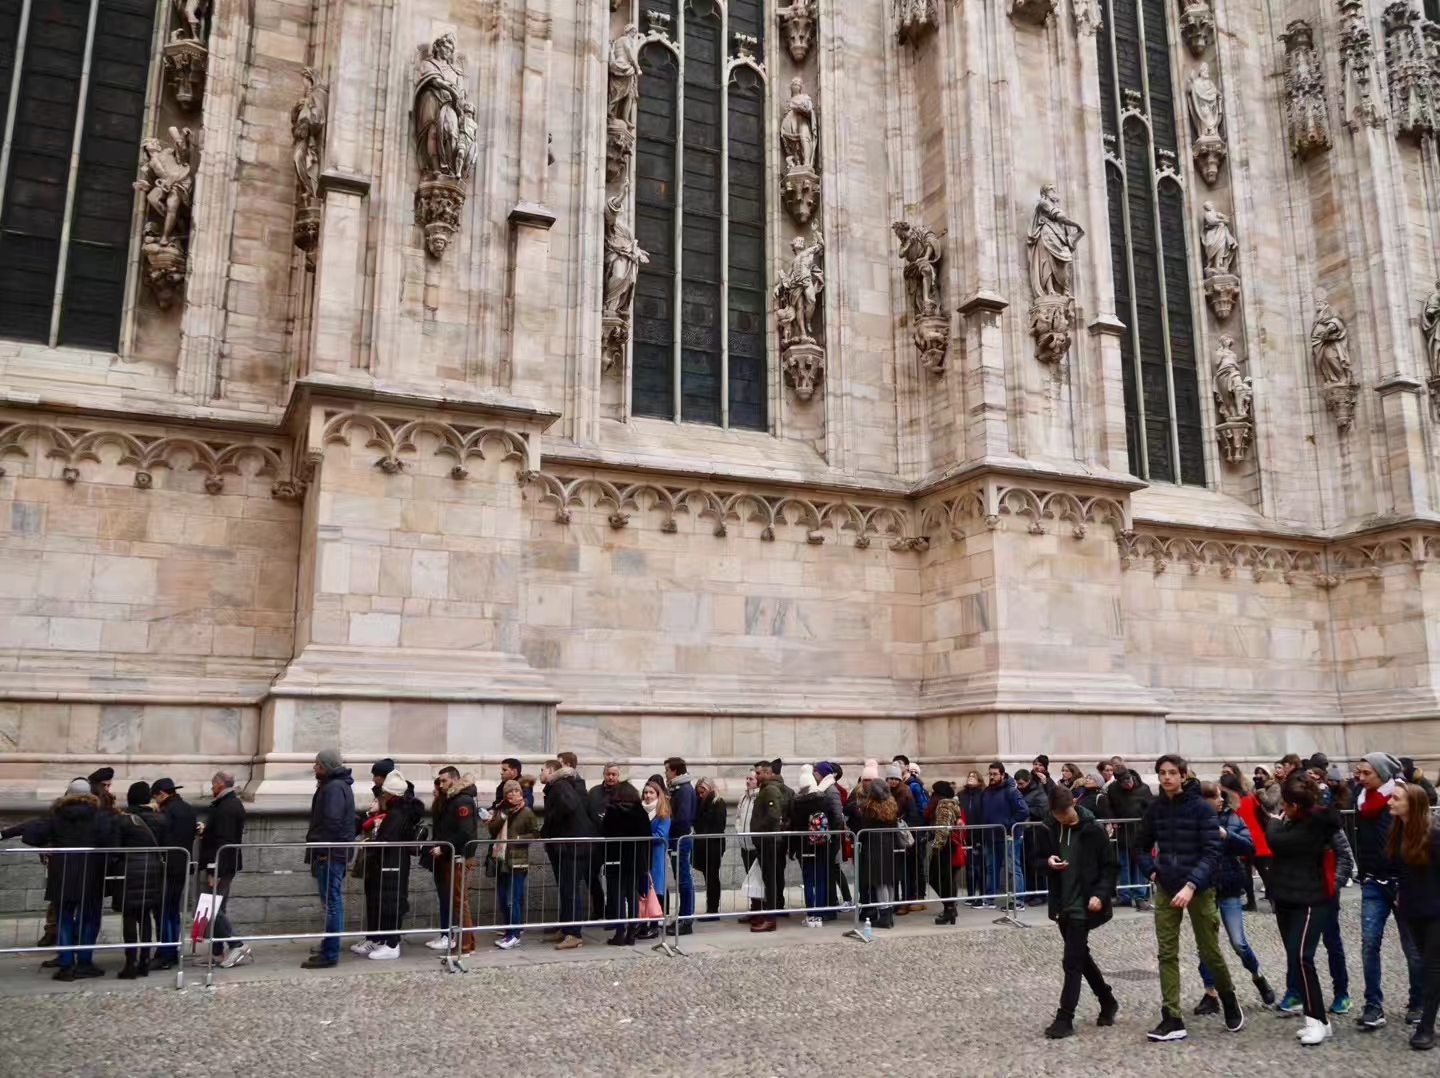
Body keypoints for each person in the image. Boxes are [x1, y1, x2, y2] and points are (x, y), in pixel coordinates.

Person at [1137, 754, 1243, 1041]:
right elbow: (1141, 847)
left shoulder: (1201, 809)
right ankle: (1172, 1016)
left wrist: (1192, 885)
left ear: (1184, 776)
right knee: (1166, 953)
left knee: (1209, 951)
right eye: (1162, 773)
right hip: (1166, 886)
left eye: (1172, 772)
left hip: (1199, 888)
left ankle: (1228, 997)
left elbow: (1212, 852)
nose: (1167, 777)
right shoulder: (1155, 809)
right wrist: (1153, 873)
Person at [1264, 770, 1342, 1045]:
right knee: (1298, 959)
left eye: (1286, 804)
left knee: (1302, 957)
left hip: (1311, 899)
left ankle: (1316, 1020)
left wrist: (1273, 822)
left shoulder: (1312, 826)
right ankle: (1318, 1019)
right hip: (1287, 897)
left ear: (1295, 806)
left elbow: (1277, 841)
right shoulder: (1298, 821)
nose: (1282, 809)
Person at [11, 778, 117, 979]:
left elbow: (34, 835)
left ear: (67, 794)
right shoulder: (100, 816)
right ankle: (84, 962)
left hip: (63, 875)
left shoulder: (57, 816)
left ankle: (66, 964)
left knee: (64, 920)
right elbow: (109, 840)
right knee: (90, 919)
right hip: (91, 874)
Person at [1036, 785, 1120, 1038]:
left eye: (1067, 812)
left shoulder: (1093, 830)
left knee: (1071, 961)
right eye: (1059, 814)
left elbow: (1110, 867)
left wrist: (1100, 894)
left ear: (1074, 803)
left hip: (1084, 904)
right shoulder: (1049, 828)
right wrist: (1048, 863)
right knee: (1080, 956)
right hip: (1063, 904)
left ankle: (1065, 1017)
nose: (1064, 817)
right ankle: (1107, 999)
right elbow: (1036, 861)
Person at [1354, 751, 1426, 1031]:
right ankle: (1373, 1005)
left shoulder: (1398, 800)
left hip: (1401, 883)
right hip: (1373, 881)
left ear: (1382, 774)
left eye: (1366, 773)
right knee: (1369, 944)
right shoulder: (1361, 801)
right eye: (1358, 772)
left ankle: (1418, 1002)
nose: (1359, 778)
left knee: (1412, 947)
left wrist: (1408, 882)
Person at [1193, 781, 1275, 1014]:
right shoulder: (1195, 821)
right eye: (1215, 797)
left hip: (1228, 887)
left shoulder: (1233, 818)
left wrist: (1226, 835)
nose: (1220, 800)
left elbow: (1249, 846)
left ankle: (1258, 977)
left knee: (1238, 942)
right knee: (1206, 946)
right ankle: (1211, 993)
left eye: (1220, 796)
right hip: (1205, 888)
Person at [1389, 781, 1440, 1050]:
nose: (1390, 802)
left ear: (1413, 804)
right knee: (1425, 964)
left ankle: (1427, 1027)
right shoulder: (1398, 831)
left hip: (1435, 911)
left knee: (1432, 969)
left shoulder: (1434, 835)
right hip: (1412, 910)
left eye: (1396, 798)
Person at [360, 770, 424, 960]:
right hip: (391, 861)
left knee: (392, 901)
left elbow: (388, 839)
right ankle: (387, 940)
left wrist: (373, 844)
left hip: (393, 862)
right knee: (387, 900)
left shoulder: (397, 813)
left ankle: (392, 943)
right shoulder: (396, 811)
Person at [302, 749, 356, 969]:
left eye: (317, 764)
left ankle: (330, 952)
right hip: (332, 852)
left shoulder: (334, 788)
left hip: (331, 853)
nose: (314, 768)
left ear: (326, 766)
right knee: (331, 903)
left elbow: (332, 822)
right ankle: (329, 945)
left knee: (332, 904)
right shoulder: (335, 785)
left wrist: (324, 849)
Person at [540, 757, 597, 949]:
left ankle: (574, 933)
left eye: (542, 770)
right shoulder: (558, 786)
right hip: (568, 846)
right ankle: (566, 929)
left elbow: (569, 807)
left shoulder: (559, 785)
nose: (540, 774)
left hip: (574, 846)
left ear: (550, 771)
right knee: (566, 888)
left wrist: (551, 824)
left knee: (571, 889)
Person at [112, 782, 165, 980]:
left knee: (129, 917)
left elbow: (115, 850)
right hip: (152, 871)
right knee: (145, 916)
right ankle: (144, 960)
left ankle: (130, 962)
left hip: (129, 871)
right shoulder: (160, 819)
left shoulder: (123, 820)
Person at [198, 770, 250, 969]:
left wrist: (213, 870)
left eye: (213, 785)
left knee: (214, 908)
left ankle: (238, 944)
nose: (212, 789)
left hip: (221, 865)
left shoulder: (226, 807)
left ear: (219, 784)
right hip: (225, 864)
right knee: (218, 907)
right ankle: (218, 952)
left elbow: (223, 841)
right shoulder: (228, 804)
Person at [146, 777, 195, 970]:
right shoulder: (188, 808)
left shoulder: (167, 811)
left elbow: (161, 837)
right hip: (182, 864)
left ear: (162, 794)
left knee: (165, 911)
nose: (155, 801)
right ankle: (173, 949)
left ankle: (166, 953)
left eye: (156, 797)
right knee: (173, 910)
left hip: (167, 866)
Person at [427, 767, 477, 955]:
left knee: (459, 901)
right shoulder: (452, 799)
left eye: (444, 781)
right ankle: (467, 943)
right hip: (453, 855)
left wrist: (444, 847)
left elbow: (465, 832)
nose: (440, 785)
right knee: (458, 900)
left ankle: (465, 946)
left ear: (455, 780)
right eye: (439, 781)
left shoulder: (462, 800)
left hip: (459, 856)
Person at [488, 778, 539, 949]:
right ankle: (509, 932)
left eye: (516, 791)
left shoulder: (527, 812)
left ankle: (515, 934)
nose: (512, 794)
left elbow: (535, 834)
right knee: (503, 899)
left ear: (521, 793)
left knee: (513, 899)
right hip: (501, 859)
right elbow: (492, 830)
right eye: (509, 792)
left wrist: (517, 839)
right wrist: (502, 815)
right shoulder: (502, 811)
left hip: (517, 860)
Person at [846, 778, 902, 929]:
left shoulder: (870, 807)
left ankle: (884, 915)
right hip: (889, 845)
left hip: (874, 846)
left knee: (879, 882)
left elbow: (863, 828)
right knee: (888, 881)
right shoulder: (891, 804)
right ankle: (888, 915)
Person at [601, 781, 652, 945]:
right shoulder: (640, 811)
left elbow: (606, 834)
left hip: (616, 858)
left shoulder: (612, 811)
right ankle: (631, 931)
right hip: (635, 860)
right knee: (632, 894)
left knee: (617, 896)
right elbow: (647, 836)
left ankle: (620, 931)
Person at [976, 762, 1029, 911]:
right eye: (990, 774)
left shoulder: (1011, 791)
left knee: (1014, 868)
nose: (992, 777)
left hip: (1009, 836)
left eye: (995, 774)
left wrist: (1007, 824)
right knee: (991, 868)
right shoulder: (987, 792)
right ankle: (990, 898)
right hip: (991, 836)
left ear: (1002, 775)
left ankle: (1018, 900)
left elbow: (1023, 811)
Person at [1103, 766, 1154, 910]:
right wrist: (1112, 820)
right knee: (1123, 865)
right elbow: (1109, 807)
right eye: (1124, 783)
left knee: (1139, 865)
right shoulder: (1113, 789)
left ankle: (1140, 896)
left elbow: (1151, 809)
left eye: (1129, 781)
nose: (1128, 784)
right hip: (1123, 832)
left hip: (1140, 832)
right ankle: (1125, 895)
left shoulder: (1144, 789)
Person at [750, 760, 788, 932]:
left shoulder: (770, 790)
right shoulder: (766, 789)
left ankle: (771, 918)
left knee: (770, 879)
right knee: (767, 878)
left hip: (769, 841)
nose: (756, 776)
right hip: (765, 840)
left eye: (759, 773)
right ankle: (767, 914)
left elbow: (774, 815)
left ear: (767, 773)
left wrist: (759, 829)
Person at [664, 757, 697, 934]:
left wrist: (669, 824)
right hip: (677, 838)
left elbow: (682, 818)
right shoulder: (678, 788)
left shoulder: (683, 790)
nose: (666, 773)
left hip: (680, 839)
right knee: (681, 879)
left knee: (684, 880)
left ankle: (686, 920)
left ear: (674, 771)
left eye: (667, 770)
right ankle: (683, 917)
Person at [637, 779, 671, 940]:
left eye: (651, 792)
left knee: (655, 890)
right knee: (643, 892)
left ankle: (654, 926)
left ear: (658, 794)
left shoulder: (663, 813)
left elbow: (661, 836)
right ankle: (642, 924)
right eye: (646, 792)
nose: (648, 796)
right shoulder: (640, 811)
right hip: (643, 856)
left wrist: (641, 837)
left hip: (656, 856)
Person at [887, 762, 923, 912]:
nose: (894, 781)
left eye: (896, 779)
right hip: (890, 836)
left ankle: (906, 901)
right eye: (891, 779)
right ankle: (894, 901)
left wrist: (903, 824)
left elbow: (913, 814)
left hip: (903, 835)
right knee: (894, 871)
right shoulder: (885, 793)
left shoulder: (906, 792)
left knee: (906, 872)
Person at [927, 781, 965, 925]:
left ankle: (949, 908)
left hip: (945, 846)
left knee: (937, 878)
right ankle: (950, 908)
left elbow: (942, 830)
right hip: (949, 846)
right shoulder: (951, 804)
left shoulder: (943, 806)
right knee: (946, 879)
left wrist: (936, 848)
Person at [814, 762, 847, 914]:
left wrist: (832, 834)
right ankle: (830, 904)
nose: (814, 774)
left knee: (830, 871)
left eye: (816, 771)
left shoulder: (831, 790)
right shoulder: (824, 788)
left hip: (831, 838)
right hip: (827, 837)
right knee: (828, 872)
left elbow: (837, 815)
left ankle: (831, 907)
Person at [692, 777, 727, 920]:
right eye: (699, 793)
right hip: (704, 844)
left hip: (713, 845)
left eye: (702, 792)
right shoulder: (702, 802)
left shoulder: (717, 802)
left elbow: (718, 826)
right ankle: (711, 908)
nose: (700, 795)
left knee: (712, 877)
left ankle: (713, 909)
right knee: (709, 876)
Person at [1016, 768, 1050, 907]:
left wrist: (1025, 809)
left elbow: (1043, 810)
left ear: (1029, 781)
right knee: (1026, 864)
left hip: (1036, 832)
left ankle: (1039, 893)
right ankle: (1029, 892)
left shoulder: (1039, 792)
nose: (1019, 786)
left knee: (1035, 864)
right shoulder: (1019, 793)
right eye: (1017, 784)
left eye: (1022, 784)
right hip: (1025, 832)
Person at [735, 771, 760, 922]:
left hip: (756, 844)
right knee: (750, 879)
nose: (748, 781)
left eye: (751, 779)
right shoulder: (744, 797)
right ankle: (754, 907)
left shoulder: (760, 797)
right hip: (744, 844)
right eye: (747, 778)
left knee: (757, 879)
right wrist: (739, 832)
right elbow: (738, 817)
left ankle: (760, 911)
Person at [960, 771, 985, 903]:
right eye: (969, 776)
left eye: (974, 776)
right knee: (969, 867)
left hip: (979, 833)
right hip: (966, 834)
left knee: (980, 867)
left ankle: (982, 895)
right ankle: (971, 895)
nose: (970, 778)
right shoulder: (962, 795)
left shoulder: (983, 794)